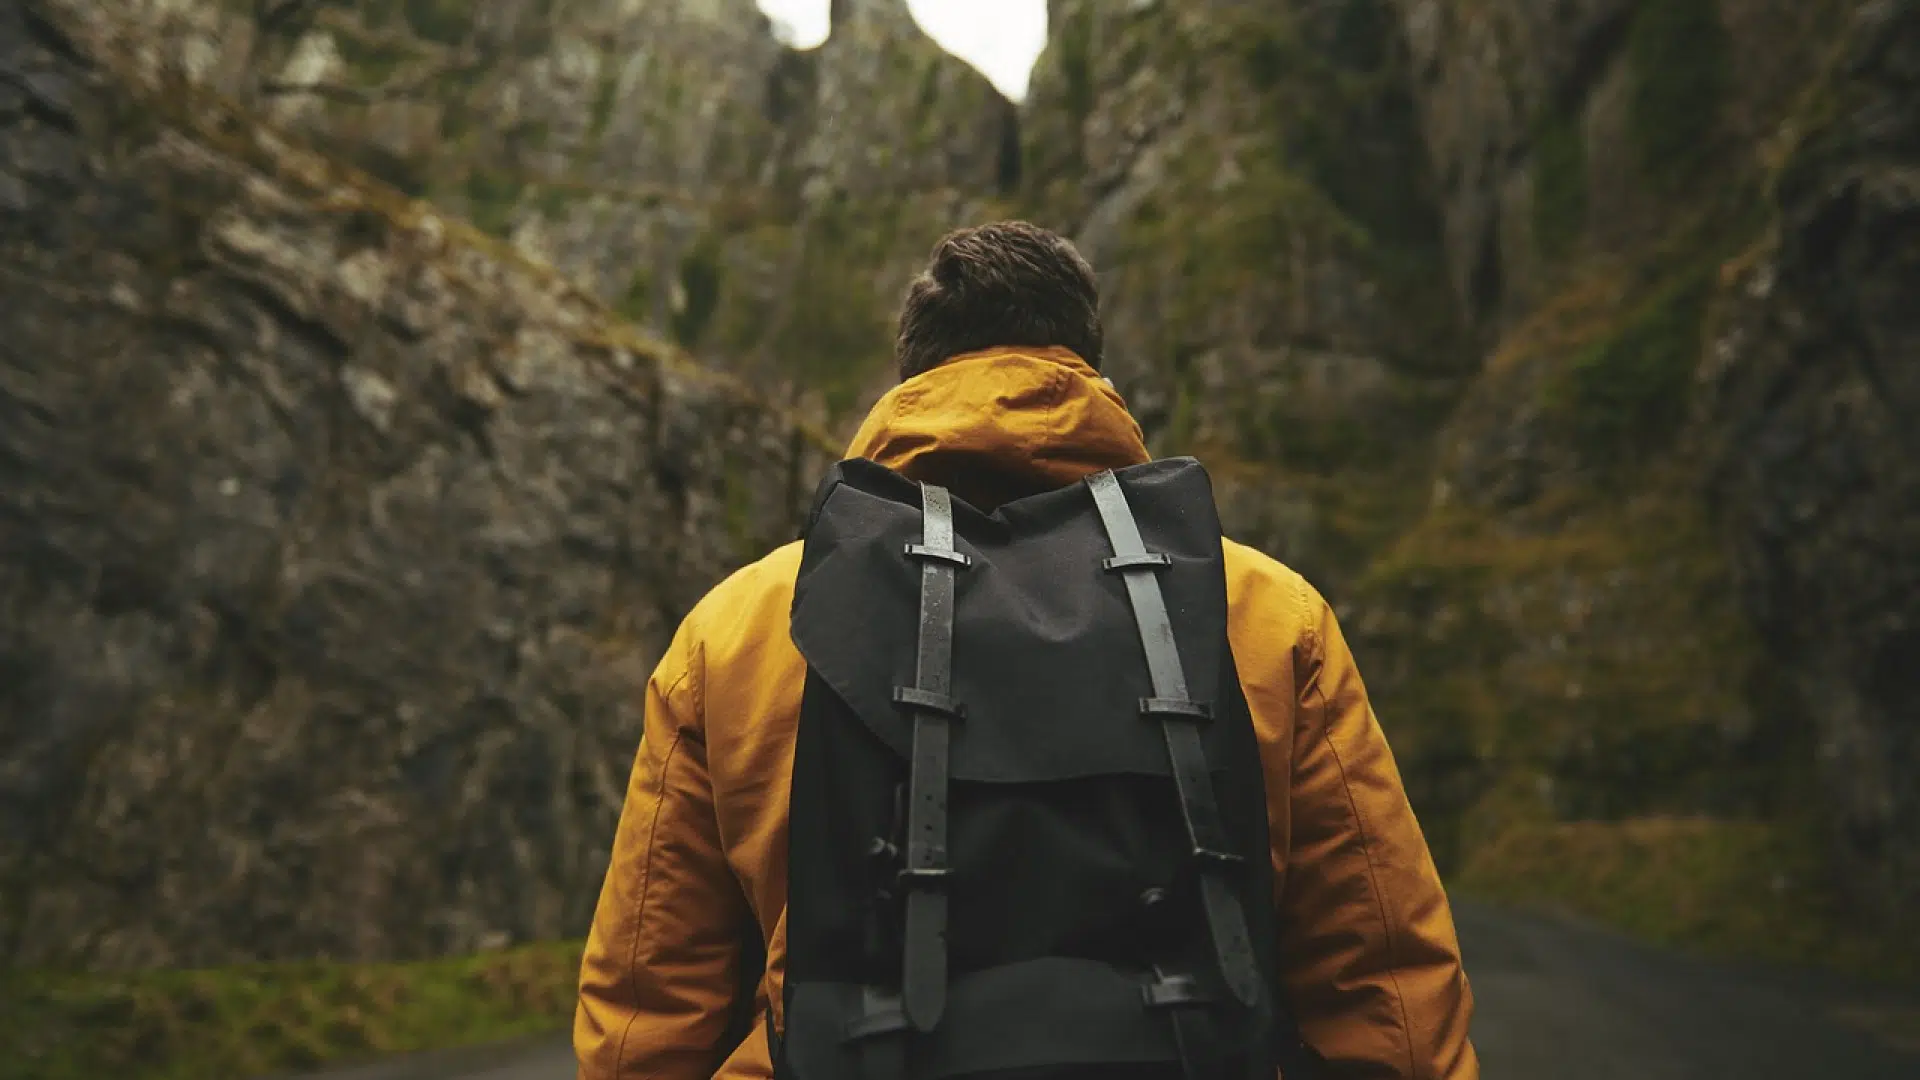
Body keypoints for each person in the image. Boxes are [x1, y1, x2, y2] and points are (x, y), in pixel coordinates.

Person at [574, 221, 1479, 1079]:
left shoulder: (742, 628)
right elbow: (1387, 990)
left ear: (911, 376)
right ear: (1085, 365)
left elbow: (646, 1023)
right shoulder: (1265, 612)